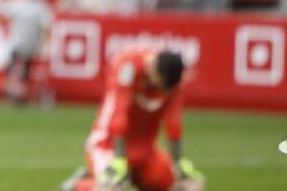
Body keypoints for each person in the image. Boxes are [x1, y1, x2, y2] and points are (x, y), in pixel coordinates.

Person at [60, 49, 204, 191]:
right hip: (108, 146)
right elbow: (119, 113)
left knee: (190, 186)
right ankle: (78, 185)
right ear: (154, 70)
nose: (165, 91)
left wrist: (178, 160)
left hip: (145, 151)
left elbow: (173, 121)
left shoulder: (174, 83)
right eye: (163, 85)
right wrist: (119, 159)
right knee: (113, 189)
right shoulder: (128, 67)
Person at [0, 0, 53, 104]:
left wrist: (45, 44)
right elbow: (3, 15)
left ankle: (21, 96)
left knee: (25, 72)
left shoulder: (41, 6)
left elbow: (47, 27)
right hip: (16, 43)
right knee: (12, 70)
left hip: (31, 46)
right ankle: (9, 95)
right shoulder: (17, 2)